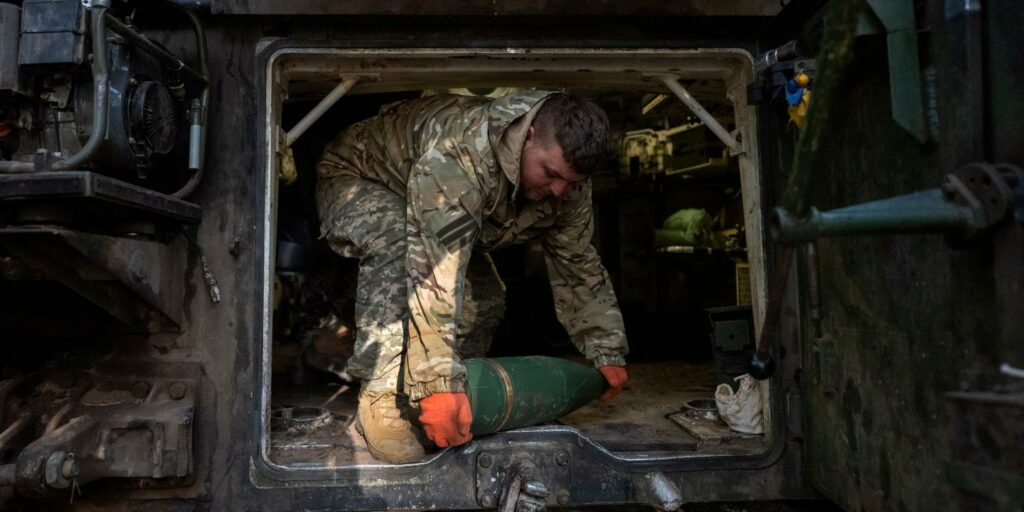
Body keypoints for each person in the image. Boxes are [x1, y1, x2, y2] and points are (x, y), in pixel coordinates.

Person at [315, 90, 629, 463]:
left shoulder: (569, 184)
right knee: (398, 243)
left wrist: (605, 348)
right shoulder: (461, 155)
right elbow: (433, 276)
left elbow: (578, 263)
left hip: (432, 212)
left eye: (573, 182)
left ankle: (436, 399)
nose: (559, 190)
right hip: (360, 179)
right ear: (529, 136)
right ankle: (383, 399)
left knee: (487, 297)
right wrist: (437, 383)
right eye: (551, 174)